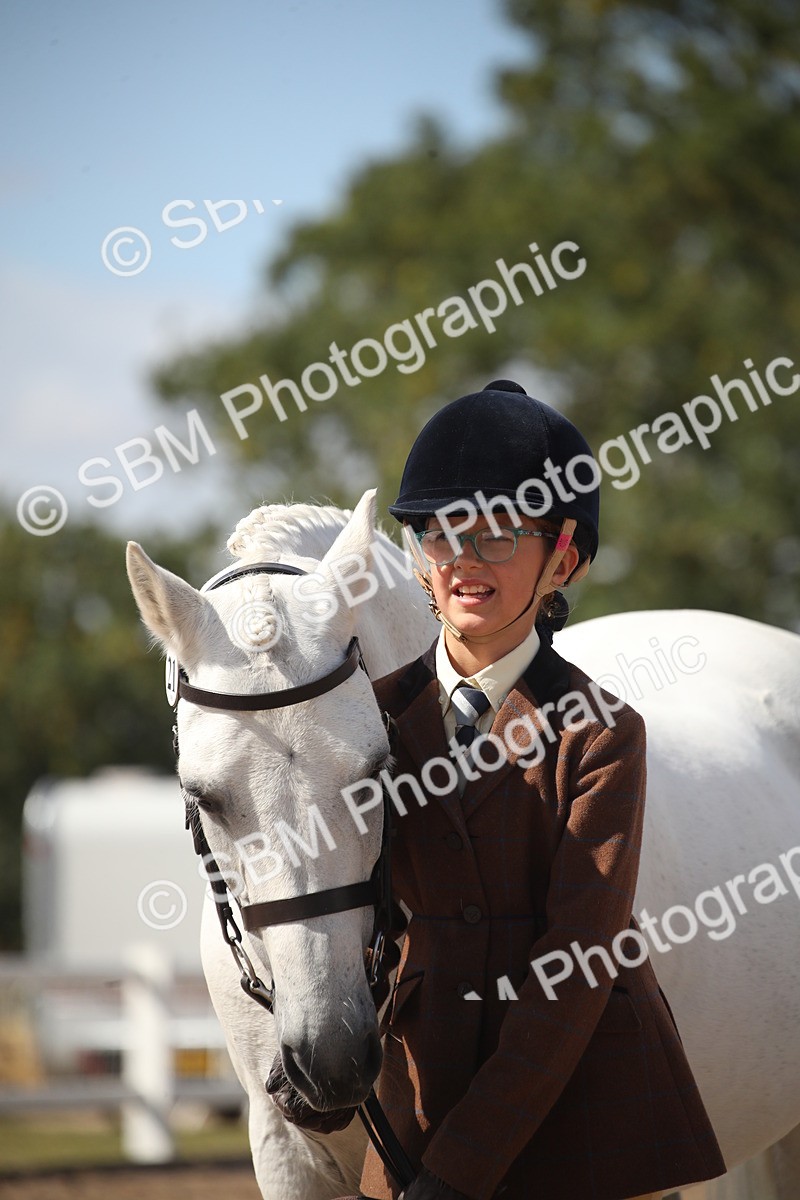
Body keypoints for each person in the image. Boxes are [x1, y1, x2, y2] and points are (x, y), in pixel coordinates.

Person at [288, 379, 727, 1200]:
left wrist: (461, 1172)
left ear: (562, 556)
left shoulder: (600, 733)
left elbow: (577, 964)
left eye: (495, 535)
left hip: (586, 1108)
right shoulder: (372, 724)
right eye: (439, 532)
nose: (462, 560)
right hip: (421, 1096)